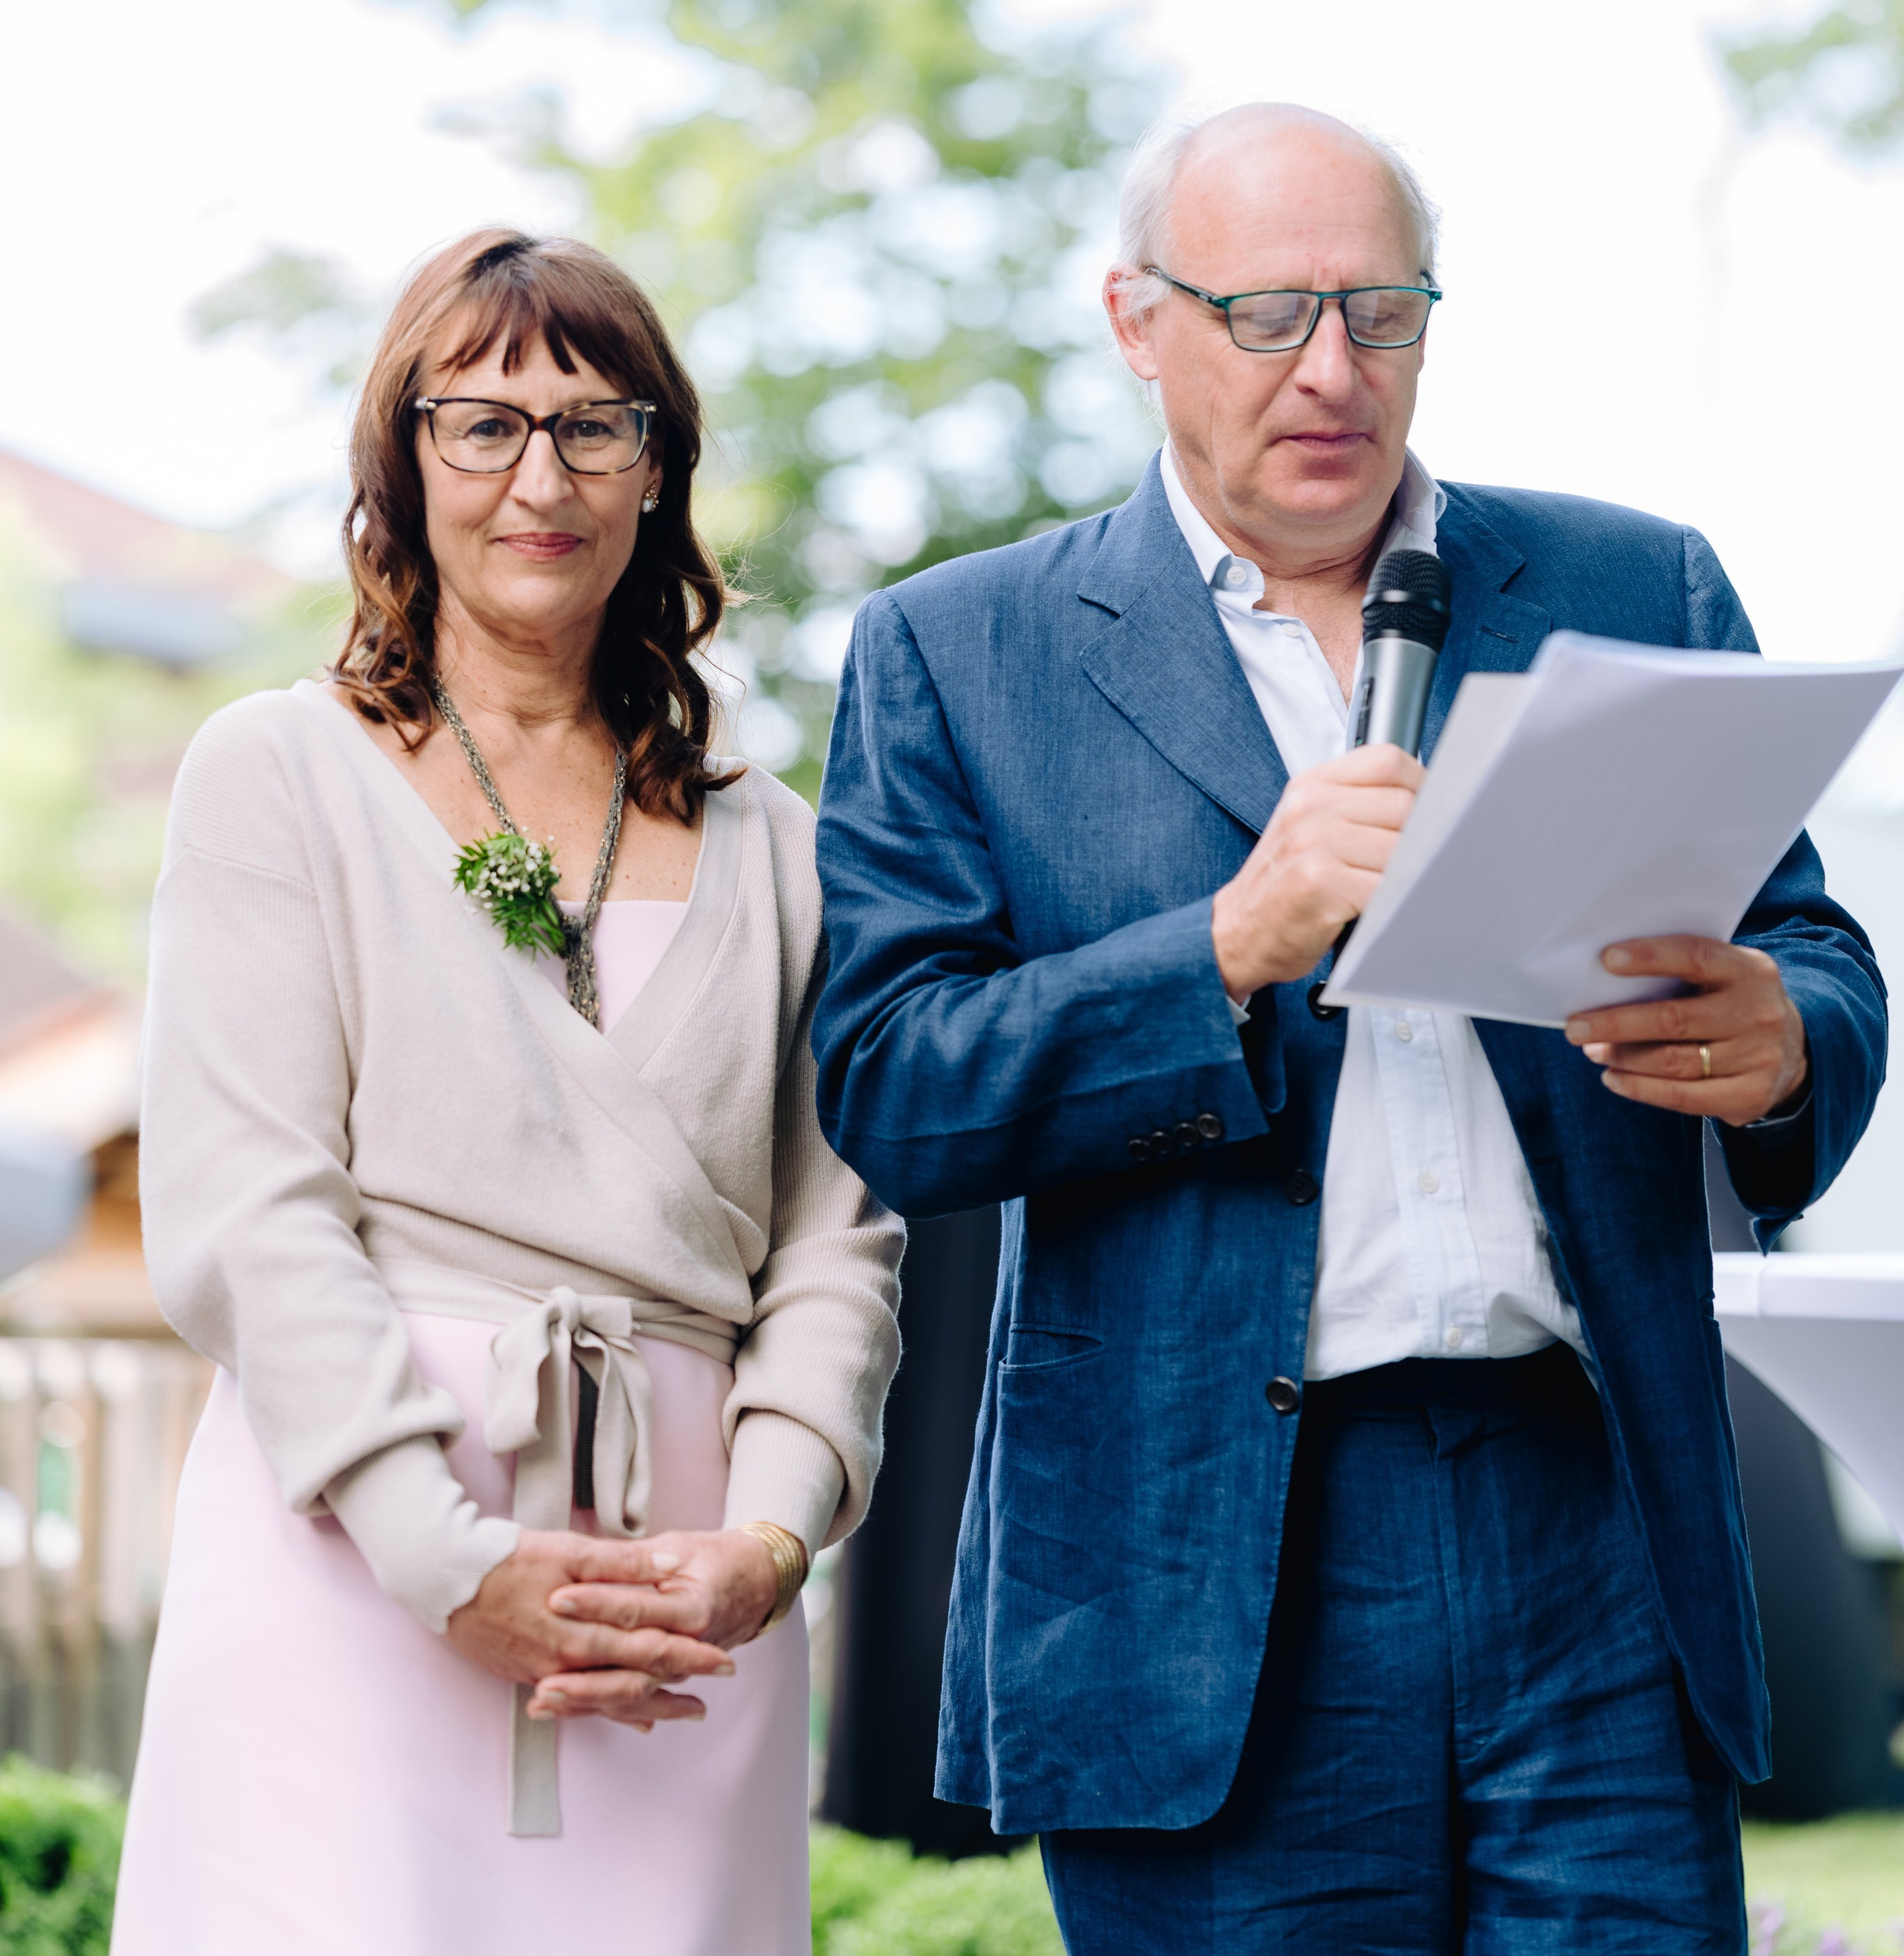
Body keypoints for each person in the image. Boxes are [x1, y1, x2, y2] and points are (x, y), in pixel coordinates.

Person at [810, 105, 1887, 1955]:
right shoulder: (956, 652)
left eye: (1380, 316)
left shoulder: (1640, 587)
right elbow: (892, 1083)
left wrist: (1784, 1034)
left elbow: (1810, 948)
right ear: (1135, 321)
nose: (1331, 371)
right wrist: (1223, 945)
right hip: (1193, 1569)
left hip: (1592, 1523)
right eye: (1267, 315)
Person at [115, 230, 902, 1956]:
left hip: (677, 1605)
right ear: (401, 463)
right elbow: (247, 1207)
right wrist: (441, 1553)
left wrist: (764, 1548)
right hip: (348, 1557)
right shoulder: (281, 773)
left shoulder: (781, 839)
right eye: (480, 424)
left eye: (592, 425)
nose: (536, 476)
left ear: (657, 469)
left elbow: (838, 1246)